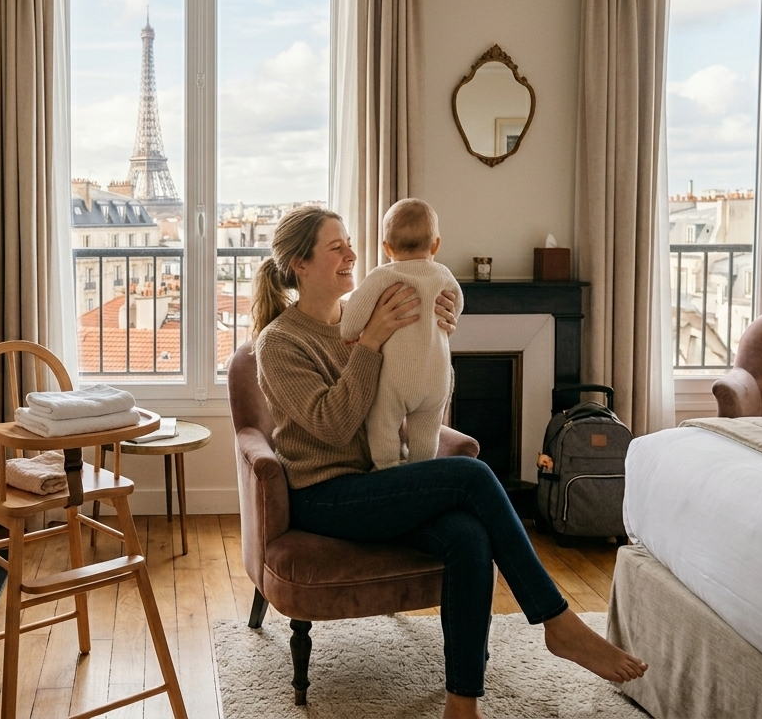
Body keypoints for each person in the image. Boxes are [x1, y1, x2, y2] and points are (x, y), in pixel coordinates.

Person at [250, 206, 646, 719]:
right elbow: (333, 425)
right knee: (473, 475)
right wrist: (370, 343)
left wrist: (433, 344)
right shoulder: (280, 343)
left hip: (381, 484)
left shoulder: (376, 317)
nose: (352, 254)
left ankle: (463, 703)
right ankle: (557, 621)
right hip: (325, 497)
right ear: (300, 264)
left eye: (350, 242)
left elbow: (424, 401)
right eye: (336, 247)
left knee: (468, 535)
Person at [340, 198, 463, 467]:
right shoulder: (443, 274)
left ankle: (387, 469)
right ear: (436, 244)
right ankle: (420, 473)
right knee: (426, 437)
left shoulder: (383, 276)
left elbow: (349, 324)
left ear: (386, 247)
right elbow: (456, 307)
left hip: (395, 379)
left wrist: (356, 331)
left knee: (382, 425)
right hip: (436, 379)